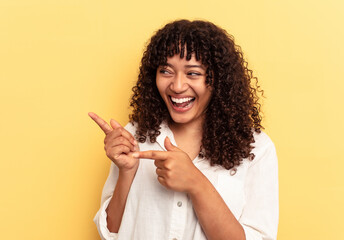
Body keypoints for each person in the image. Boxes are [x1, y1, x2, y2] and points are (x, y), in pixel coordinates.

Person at [89, 19, 278, 240]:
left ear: (218, 80)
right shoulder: (135, 136)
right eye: (166, 71)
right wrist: (127, 172)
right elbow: (109, 234)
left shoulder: (256, 148)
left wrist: (196, 183)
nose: (177, 86)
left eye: (193, 73)